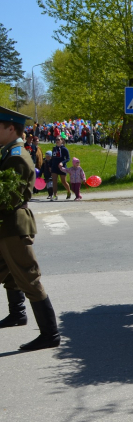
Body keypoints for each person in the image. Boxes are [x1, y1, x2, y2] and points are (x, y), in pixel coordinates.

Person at [0, 106, 60, 350]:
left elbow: (10, 196)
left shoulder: (16, 155)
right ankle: (17, 314)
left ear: (10, 128)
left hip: (13, 225)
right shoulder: (7, 152)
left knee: (28, 277)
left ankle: (50, 335)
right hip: (6, 224)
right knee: (11, 273)